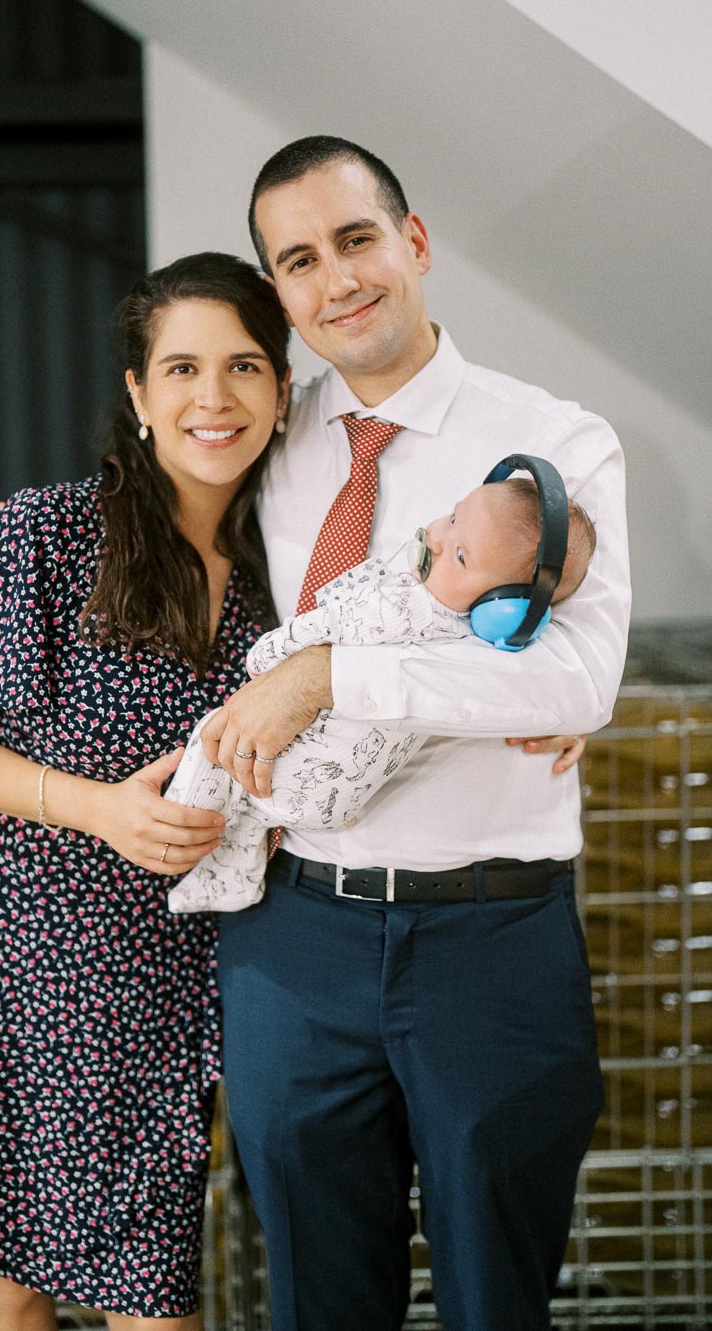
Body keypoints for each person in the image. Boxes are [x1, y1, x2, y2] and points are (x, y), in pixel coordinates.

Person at [195, 136, 630, 1331]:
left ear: (414, 242)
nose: (335, 280)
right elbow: (139, 530)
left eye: (356, 240)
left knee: (497, 1300)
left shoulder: (555, 445)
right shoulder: (265, 440)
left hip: (491, 939)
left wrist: (334, 673)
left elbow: (577, 682)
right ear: (279, 292)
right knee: (319, 1303)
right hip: (292, 940)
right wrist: (0, 558)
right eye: (298, 261)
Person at [0, 253, 291, 1331]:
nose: (214, 397)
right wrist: (97, 806)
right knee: (34, 1270)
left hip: (169, 956)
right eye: (181, 367)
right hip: (9, 937)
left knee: (94, 1267)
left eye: (244, 365)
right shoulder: (44, 534)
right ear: (138, 395)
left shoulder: (299, 559)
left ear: (284, 390)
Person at [166, 474, 596, 914]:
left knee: (214, 743)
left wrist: (269, 659)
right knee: (253, 814)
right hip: (335, 802)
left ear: (504, 608)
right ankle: (232, 880)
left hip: (304, 781)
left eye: (462, 555)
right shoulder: (475, 648)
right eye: (452, 518)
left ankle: (180, 822)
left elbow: (321, 626)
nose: (436, 538)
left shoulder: (404, 608)